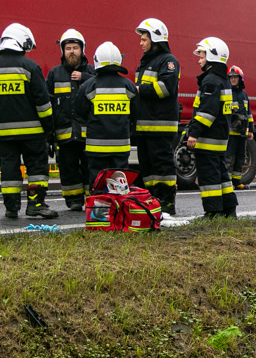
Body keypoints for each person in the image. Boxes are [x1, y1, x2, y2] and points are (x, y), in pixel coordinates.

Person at [0, 23, 58, 219]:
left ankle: (11, 207)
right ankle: (36, 205)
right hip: (33, 134)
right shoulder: (30, 67)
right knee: (37, 169)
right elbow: (43, 103)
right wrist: (49, 129)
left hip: (3, 135)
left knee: (8, 169)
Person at [75, 42, 139, 188]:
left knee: (98, 185)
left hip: (96, 148)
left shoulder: (89, 86)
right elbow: (136, 114)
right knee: (120, 186)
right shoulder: (128, 86)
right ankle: (117, 210)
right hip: (121, 148)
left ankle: (99, 209)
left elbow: (79, 112)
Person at [187, 37, 237, 219]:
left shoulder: (210, 80)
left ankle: (213, 212)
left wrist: (193, 133)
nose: (199, 58)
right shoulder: (222, 80)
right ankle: (229, 210)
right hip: (220, 138)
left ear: (211, 55)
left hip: (208, 139)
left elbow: (207, 112)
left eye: (201, 54)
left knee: (209, 177)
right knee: (222, 176)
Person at [134, 18, 180, 215]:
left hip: (160, 125)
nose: (141, 43)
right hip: (144, 126)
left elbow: (165, 88)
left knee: (162, 166)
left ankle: (167, 201)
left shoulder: (168, 61)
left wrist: (137, 89)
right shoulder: (146, 63)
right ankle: (152, 201)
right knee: (148, 166)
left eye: (144, 39)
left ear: (155, 39)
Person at [47, 29, 96, 210]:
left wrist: (85, 78)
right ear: (63, 51)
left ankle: (91, 199)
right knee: (68, 169)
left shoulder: (92, 72)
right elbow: (47, 103)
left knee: (89, 168)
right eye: (68, 48)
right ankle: (74, 201)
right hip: (65, 135)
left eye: (75, 48)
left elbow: (104, 84)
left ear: (82, 50)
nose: (72, 51)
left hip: (88, 134)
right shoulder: (54, 74)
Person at [227, 65, 254, 189]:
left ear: (240, 79)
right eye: (231, 77)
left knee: (240, 158)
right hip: (230, 134)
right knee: (229, 158)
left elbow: (248, 114)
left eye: (235, 77)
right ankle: (227, 183)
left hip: (242, 134)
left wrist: (251, 130)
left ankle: (237, 182)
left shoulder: (244, 95)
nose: (233, 80)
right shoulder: (227, 93)